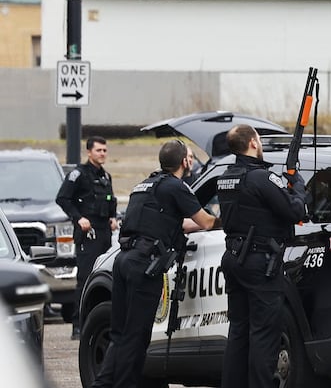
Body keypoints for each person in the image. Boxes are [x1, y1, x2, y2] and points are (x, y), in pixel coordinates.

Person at [90, 140, 219, 388]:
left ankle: (103, 384)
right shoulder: (176, 187)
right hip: (144, 266)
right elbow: (206, 222)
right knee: (137, 336)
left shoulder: (144, 185)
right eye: (189, 158)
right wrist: (229, 220)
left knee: (120, 333)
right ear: (184, 162)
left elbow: (173, 222)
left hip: (123, 260)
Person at [217, 124, 307, 388]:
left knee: (239, 332)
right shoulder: (260, 178)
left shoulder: (226, 177)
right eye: (259, 139)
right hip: (259, 262)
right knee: (264, 335)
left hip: (234, 258)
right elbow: (295, 211)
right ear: (253, 143)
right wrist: (298, 186)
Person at [56, 136, 118, 340]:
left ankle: (100, 322)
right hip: (88, 234)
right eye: (99, 150)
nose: (102, 154)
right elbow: (62, 198)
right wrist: (78, 218)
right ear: (89, 152)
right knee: (85, 279)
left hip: (104, 233)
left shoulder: (106, 176)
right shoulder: (78, 174)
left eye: (105, 150)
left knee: (105, 277)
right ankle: (78, 325)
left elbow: (110, 201)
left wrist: (112, 218)